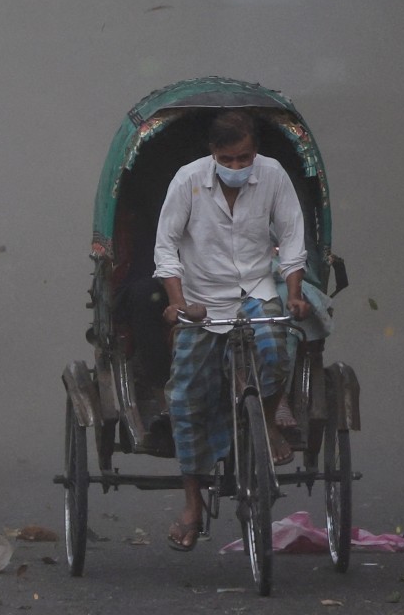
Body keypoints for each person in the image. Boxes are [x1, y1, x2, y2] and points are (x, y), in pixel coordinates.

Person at [152, 110, 311, 552]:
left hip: (257, 290)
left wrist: (294, 293)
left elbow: (293, 236)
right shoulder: (187, 181)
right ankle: (191, 505)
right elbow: (166, 244)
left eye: (245, 158)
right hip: (203, 301)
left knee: (278, 354)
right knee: (184, 397)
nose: (238, 167)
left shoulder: (273, 176)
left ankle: (270, 421)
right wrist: (177, 301)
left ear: (254, 151)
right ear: (213, 153)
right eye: (228, 159)